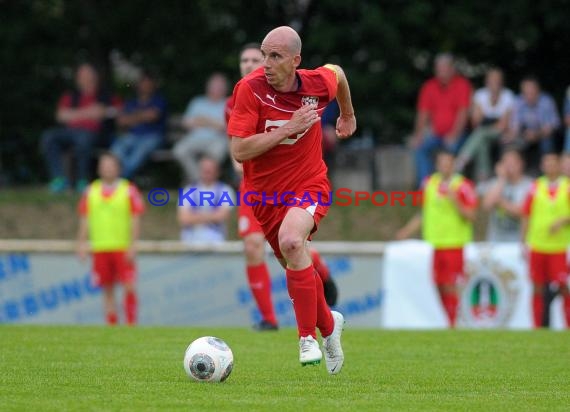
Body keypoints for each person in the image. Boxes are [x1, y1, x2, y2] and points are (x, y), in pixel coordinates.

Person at [227, 26, 356, 374]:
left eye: (275, 56)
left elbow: (338, 74)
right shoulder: (249, 89)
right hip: (265, 196)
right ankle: (329, 327)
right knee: (293, 261)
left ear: (296, 60)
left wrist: (347, 114)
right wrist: (287, 128)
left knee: (291, 241)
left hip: (308, 183)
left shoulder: (315, 84)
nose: (265, 63)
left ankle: (306, 339)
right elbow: (239, 150)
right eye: (263, 54)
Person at [396, 150, 478, 327]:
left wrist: (455, 201)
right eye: (441, 162)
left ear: (454, 164)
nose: (444, 166)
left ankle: (453, 322)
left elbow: (471, 216)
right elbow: (424, 213)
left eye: (448, 162)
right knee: (439, 283)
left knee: (451, 283)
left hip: (454, 242)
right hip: (434, 243)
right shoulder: (429, 183)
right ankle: (449, 320)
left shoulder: (462, 186)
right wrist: (407, 231)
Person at [76, 152, 144, 325]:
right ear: (99, 169)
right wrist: (81, 244)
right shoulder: (91, 191)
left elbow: (135, 219)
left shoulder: (128, 189)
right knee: (107, 288)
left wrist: (133, 245)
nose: (107, 169)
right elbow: (84, 219)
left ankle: (130, 322)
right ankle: (112, 324)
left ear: (118, 168)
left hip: (121, 246)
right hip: (100, 247)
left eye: (111, 165)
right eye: (104, 165)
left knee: (129, 285)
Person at [41, 63, 121, 193]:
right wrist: (89, 112)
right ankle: (59, 179)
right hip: (71, 132)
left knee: (83, 139)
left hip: (99, 134)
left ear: (95, 77)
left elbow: (117, 111)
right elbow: (61, 116)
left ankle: (82, 180)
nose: (84, 78)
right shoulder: (71, 96)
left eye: (87, 75)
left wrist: (75, 114)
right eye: (81, 75)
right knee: (49, 137)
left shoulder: (106, 95)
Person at [520, 152, 570, 328]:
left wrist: (564, 220)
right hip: (538, 244)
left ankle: (567, 325)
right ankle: (538, 326)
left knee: (564, 286)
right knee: (537, 287)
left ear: (559, 166)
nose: (549, 166)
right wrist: (523, 241)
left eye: (553, 163)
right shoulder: (536, 187)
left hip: (559, 246)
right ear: (542, 166)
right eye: (546, 163)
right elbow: (526, 214)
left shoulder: (567, 186)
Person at [411, 53, 472, 186]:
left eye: (444, 68)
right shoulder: (429, 87)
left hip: (458, 134)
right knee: (419, 147)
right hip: (437, 134)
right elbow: (423, 114)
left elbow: (463, 113)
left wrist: (454, 134)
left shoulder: (462, 85)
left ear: (452, 69)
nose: (441, 72)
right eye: (439, 68)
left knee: (452, 147)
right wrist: (418, 135)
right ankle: (426, 185)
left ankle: (452, 185)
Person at [456, 68, 515, 181]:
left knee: (480, 134)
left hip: (501, 134)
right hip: (483, 133)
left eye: (497, 80)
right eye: (491, 80)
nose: (494, 83)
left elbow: (503, 126)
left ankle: (461, 160)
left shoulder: (508, 96)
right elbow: (475, 122)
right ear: (487, 81)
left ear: (501, 82)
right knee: (482, 142)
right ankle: (484, 177)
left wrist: (485, 117)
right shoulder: (480, 95)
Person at [111, 69, 167, 179]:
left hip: (152, 137)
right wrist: (142, 116)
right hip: (132, 136)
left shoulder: (159, 100)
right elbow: (121, 121)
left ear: (153, 85)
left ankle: (121, 180)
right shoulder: (131, 102)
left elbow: (152, 116)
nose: (145, 86)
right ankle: (124, 179)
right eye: (143, 83)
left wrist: (132, 118)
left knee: (137, 155)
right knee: (116, 150)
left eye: (148, 83)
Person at [174, 73, 229, 183]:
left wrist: (205, 121)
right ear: (208, 88)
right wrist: (213, 123)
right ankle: (199, 180)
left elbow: (227, 127)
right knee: (179, 151)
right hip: (195, 138)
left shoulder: (228, 103)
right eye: (214, 86)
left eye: (220, 87)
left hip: (217, 140)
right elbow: (186, 123)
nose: (216, 89)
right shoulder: (197, 102)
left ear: (225, 89)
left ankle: (205, 182)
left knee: (216, 153)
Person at [506, 76, 560, 170]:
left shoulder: (546, 101)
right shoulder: (518, 101)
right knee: (510, 143)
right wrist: (513, 135)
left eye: (532, 91)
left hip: (543, 135)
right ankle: (517, 172)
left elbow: (554, 125)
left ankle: (546, 171)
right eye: (526, 92)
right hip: (524, 134)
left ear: (538, 90)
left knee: (547, 142)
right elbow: (515, 126)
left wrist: (537, 134)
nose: (529, 95)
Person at [478, 148, 533, 242]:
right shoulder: (495, 183)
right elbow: (486, 205)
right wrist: (501, 178)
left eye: (512, 162)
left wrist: (500, 201)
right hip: (495, 241)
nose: (508, 166)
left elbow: (522, 212)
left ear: (521, 164)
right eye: (505, 162)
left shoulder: (529, 185)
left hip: (519, 241)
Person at [177, 156, 235, 244]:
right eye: (204, 169)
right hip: (190, 239)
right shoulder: (188, 190)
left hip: (216, 238)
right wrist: (211, 216)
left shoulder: (225, 190)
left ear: (217, 172)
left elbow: (223, 216)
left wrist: (195, 216)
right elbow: (183, 218)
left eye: (210, 170)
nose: (207, 172)